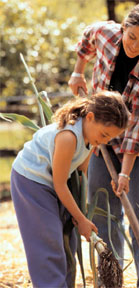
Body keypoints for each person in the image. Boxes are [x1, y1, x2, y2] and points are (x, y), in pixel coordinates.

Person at [68, 2, 139, 288]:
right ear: (123, 27)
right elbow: (87, 38)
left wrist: (125, 173)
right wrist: (78, 70)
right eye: (132, 36)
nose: (135, 45)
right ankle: (110, 281)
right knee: (103, 210)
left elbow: (138, 131)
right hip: (103, 141)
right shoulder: (106, 33)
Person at [10, 91, 129, 288]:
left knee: (67, 240)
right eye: (104, 134)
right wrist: (82, 219)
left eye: (111, 138)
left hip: (53, 182)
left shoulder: (91, 137)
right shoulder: (68, 137)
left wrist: (80, 211)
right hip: (31, 180)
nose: (106, 141)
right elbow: (59, 183)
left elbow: (82, 171)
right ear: (90, 117)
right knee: (49, 241)